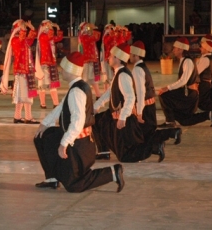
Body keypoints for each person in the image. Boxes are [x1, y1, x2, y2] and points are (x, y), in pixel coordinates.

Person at [34, 51, 125, 193]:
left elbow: (78, 121)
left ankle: (112, 172)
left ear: (70, 70)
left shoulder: (77, 91)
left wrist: (63, 144)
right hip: (75, 138)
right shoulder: (77, 86)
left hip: (79, 146)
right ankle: (51, 179)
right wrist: (45, 123)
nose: (60, 71)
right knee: (42, 137)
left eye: (63, 69)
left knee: (74, 185)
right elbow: (61, 107)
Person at [92, 43, 164, 163]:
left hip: (124, 120)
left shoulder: (123, 75)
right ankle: (103, 152)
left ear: (118, 58)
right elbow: (109, 92)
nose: (108, 58)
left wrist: (123, 118)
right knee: (97, 120)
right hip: (114, 116)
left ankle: (155, 147)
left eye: (111, 55)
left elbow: (130, 97)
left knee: (125, 156)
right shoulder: (118, 73)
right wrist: (96, 107)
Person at [130, 41, 181, 149]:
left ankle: (170, 135)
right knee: (148, 131)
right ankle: (171, 134)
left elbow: (140, 91)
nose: (129, 56)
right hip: (150, 104)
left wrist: (139, 111)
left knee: (146, 133)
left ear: (136, 55)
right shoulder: (143, 67)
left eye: (131, 54)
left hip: (145, 106)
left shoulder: (137, 69)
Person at [158, 37, 212, 128]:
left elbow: (183, 81)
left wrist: (167, 88)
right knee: (184, 121)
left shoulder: (188, 61)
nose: (173, 50)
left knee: (164, 95)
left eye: (175, 48)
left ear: (181, 49)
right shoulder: (183, 60)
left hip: (190, 95)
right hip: (187, 93)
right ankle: (208, 115)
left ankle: (170, 121)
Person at [0, 19, 39, 124]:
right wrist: (22, 29)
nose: (24, 28)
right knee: (25, 95)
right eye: (22, 26)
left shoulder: (23, 39)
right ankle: (28, 117)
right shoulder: (15, 40)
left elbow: (31, 38)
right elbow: (23, 39)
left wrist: (32, 28)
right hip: (22, 71)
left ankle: (18, 116)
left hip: (27, 70)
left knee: (23, 94)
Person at [35, 20, 63, 109]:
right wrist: (51, 28)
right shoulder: (42, 36)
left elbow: (58, 38)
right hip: (44, 62)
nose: (49, 27)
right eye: (47, 26)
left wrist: (57, 28)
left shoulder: (48, 36)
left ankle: (55, 103)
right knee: (42, 83)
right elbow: (50, 36)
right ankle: (43, 103)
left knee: (52, 83)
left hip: (51, 62)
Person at [79, 22, 102, 99]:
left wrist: (92, 29)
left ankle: (98, 95)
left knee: (92, 78)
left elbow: (97, 37)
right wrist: (94, 28)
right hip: (87, 60)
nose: (89, 29)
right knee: (85, 78)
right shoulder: (83, 36)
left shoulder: (88, 35)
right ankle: (85, 94)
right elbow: (95, 37)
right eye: (87, 27)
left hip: (92, 59)